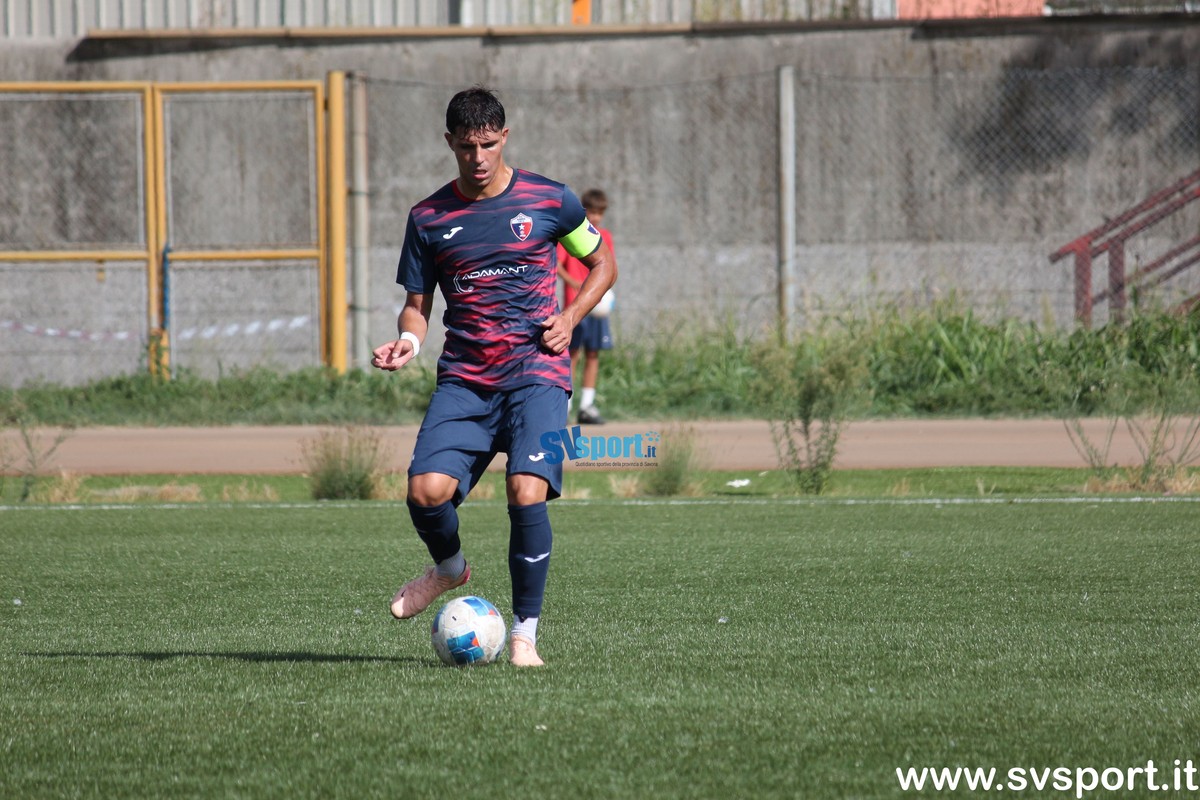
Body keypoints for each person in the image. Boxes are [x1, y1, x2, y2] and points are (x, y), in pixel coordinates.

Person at [371, 86, 616, 668]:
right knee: (425, 493)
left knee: (525, 490)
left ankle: (525, 635)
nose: (477, 157)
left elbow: (602, 263)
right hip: (466, 379)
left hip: (537, 373)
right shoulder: (428, 218)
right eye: (465, 147)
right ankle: (450, 568)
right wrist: (409, 340)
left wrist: (570, 317)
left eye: (487, 144)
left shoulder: (550, 200)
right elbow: (416, 305)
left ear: (504, 137)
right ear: (449, 143)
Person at [557, 188, 615, 425]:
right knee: (572, 354)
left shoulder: (605, 236)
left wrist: (607, 293)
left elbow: (608, 267)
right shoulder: (573, 234)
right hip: (576, 306)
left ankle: (587, 406)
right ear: (583, 211)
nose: (596, 217)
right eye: (592, 212)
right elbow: (557, 264)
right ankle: (566, 406)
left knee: (593, 353)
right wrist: (573, 282)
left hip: (597, 305)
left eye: (600, 213)